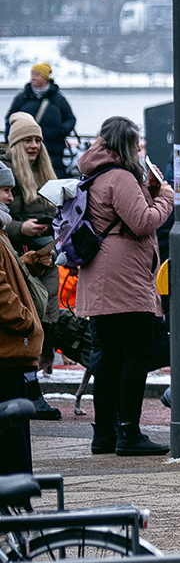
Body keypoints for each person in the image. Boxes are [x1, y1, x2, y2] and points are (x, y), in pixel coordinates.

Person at [74, 118, 174, 456]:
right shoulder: (121, 177)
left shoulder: (94, 174)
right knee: (135, 354)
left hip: (99, 275)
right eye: (137, 144)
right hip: (123, 278)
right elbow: (143, 221)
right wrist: (167, 199)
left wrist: (149, 189)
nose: (141, 149)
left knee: (109, 356)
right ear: (125, 146)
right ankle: (129, 433)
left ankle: (104, 433)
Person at [6, 113, 60, 415]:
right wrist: (21, 228)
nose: (35, 145)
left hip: (42, 260)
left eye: (38, 139)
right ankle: (31, 391)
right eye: (28, 139)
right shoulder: (6, 173)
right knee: (25, 328)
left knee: (40, 326)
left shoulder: (45, 173)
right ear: (16, 143)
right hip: (17, 261)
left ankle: (32, 388)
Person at [0, 227, 41, 472]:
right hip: (6, 350)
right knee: (11, 440)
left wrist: (30, 263)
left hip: (9, 350)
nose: (9, 197)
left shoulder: (2, 233)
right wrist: (24, 320)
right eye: (4, 190)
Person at [7, 62, 77, 178]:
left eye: (37, 74)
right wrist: (11, 139)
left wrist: (61, 131)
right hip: (25, 149)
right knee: (25, 178)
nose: (33, 77)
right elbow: (10, 119)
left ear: (45, 77)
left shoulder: (58, 99)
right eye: (32, 74)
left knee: (53, 179)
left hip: (53, 149)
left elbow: (70, 119)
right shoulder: (23, 97)